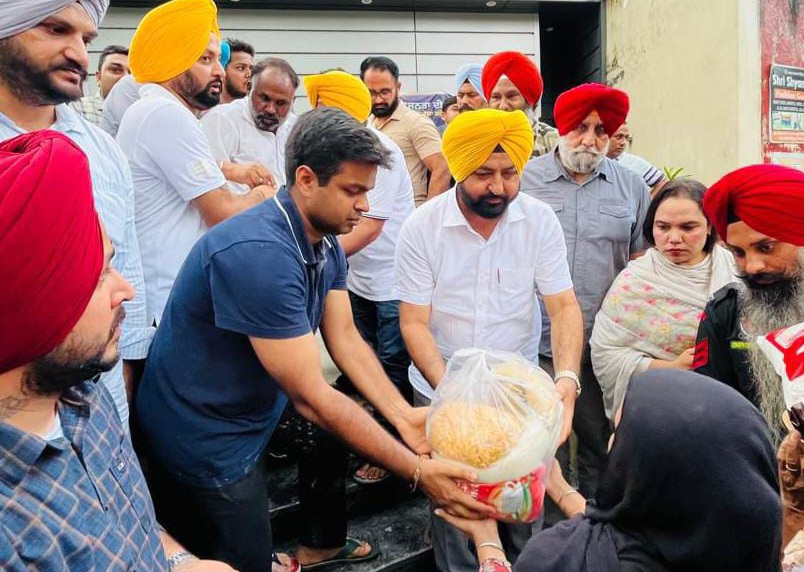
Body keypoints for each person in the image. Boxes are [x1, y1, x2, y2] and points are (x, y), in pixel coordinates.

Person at [135, 107, 493, 572]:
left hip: (256, 400)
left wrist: (402, 414)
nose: (364, 205)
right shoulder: (261, 254)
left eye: (368, 190)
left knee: (328, 437)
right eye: (353, 190)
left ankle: (320, 545)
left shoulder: (322, 239)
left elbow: (345, 337)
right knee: (242, 556)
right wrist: (418, 470)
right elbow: (311, 396)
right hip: (205, 431)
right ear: (306, 180)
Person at [0, 129, 234, 572]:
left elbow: (130, 526)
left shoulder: (85, 395)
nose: (125, 290)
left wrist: (182, 562)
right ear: (30, 305)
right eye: (99, 274)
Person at [395, 108, 584, 572]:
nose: (498, 186)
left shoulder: (539, 221)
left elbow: (563, 307)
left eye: (509, 173)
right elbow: (414, 323)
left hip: (517, 390)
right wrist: (454, 395)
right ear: (459, 169)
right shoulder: (422, 227)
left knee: (522, 500)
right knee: (456, 502)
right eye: (483, 174)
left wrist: (566, 379)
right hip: (441, 386)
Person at [437, 370, 783, 572]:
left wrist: (487, 543)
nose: (611, 443)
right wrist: (561, 491)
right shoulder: (754, 542)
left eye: (620, 432)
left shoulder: (563, 558)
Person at [0, 0, 153, 428]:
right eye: (55, 29)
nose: (80, 55)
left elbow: (127, 264)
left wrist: (124, 383)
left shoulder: (102, 149)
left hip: (102, 408)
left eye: (86, 39)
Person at [520, 82, 651, 499]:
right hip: (537, 342)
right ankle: (549, 529)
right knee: (541, 446)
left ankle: (596, 522)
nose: (590, 140)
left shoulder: (632, 187)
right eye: (581, 127)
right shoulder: (524, 181)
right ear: (561, 128)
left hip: (601, 344)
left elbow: (639, 264)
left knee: (601, 442)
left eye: (601, 130)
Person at [117, 0, 274, 325]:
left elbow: (183, 172)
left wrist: (233, 170)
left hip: (166, 296)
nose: (220, 71)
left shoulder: (157, 109)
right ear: (172, 60)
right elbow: (223, 212)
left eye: (218, 59)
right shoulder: (166, 113)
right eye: (206, 59)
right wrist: (266, 195)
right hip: (168, 301)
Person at [304, 70, 416, 484]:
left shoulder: (379, 152)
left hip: (392, 280)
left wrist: (315, 259)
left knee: (391, 365)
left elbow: (369, 227)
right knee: (360, 363)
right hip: (356, 279)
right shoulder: (328, 154)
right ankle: (370, 439)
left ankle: (394, 449)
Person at [590, 179, 735, 419]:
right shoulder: (635, 280)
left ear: (709, 226)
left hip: (726, 406)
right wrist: (671, 368)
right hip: (656, 409)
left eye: (688, 227)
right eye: (663, 227)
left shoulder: (734, 272)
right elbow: (606, 354)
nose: (674, 238)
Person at [694, 164, 804, 440]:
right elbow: (712, 409)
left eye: (766, 247)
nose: (752, 266)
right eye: (738, 252)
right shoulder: (725, 313)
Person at [361, 56, 450, 206]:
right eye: (372, 93)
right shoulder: (367, 124)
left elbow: (442, 169)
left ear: (398, 87)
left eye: (385, 92)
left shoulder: (417, 123)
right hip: (372, 211)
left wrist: (427, 215)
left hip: (408, 214)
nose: (378, 100)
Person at [203, 57, 298, 192]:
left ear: (293, 101)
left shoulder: (297, 129)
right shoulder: (221, 120)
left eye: (281, 103)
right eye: (264, 98)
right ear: (249, 88)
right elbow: (204, 174)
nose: (271, 109)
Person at [481, 51, 558, 157]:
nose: (503, 106)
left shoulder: (554, 142)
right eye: (496, 97)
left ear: (530, 102)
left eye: (511, 96)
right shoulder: (477, 141)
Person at [69, 44, 129, 125]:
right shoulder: (79, 109)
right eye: (115, 70)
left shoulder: (142, 112)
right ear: (98, 78)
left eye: (132, 73)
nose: (126, 77)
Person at [607, 122, 666, 194]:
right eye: (618, 137)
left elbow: (662, 183)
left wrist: (648, 201)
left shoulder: (633, 162)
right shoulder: (594, 162)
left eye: (626, 138)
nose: (623, 143)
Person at [221, 37, 254, 103]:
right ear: (222, 70)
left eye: (251, 68)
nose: (249, 74)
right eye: (241, 68)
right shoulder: (204, 107)